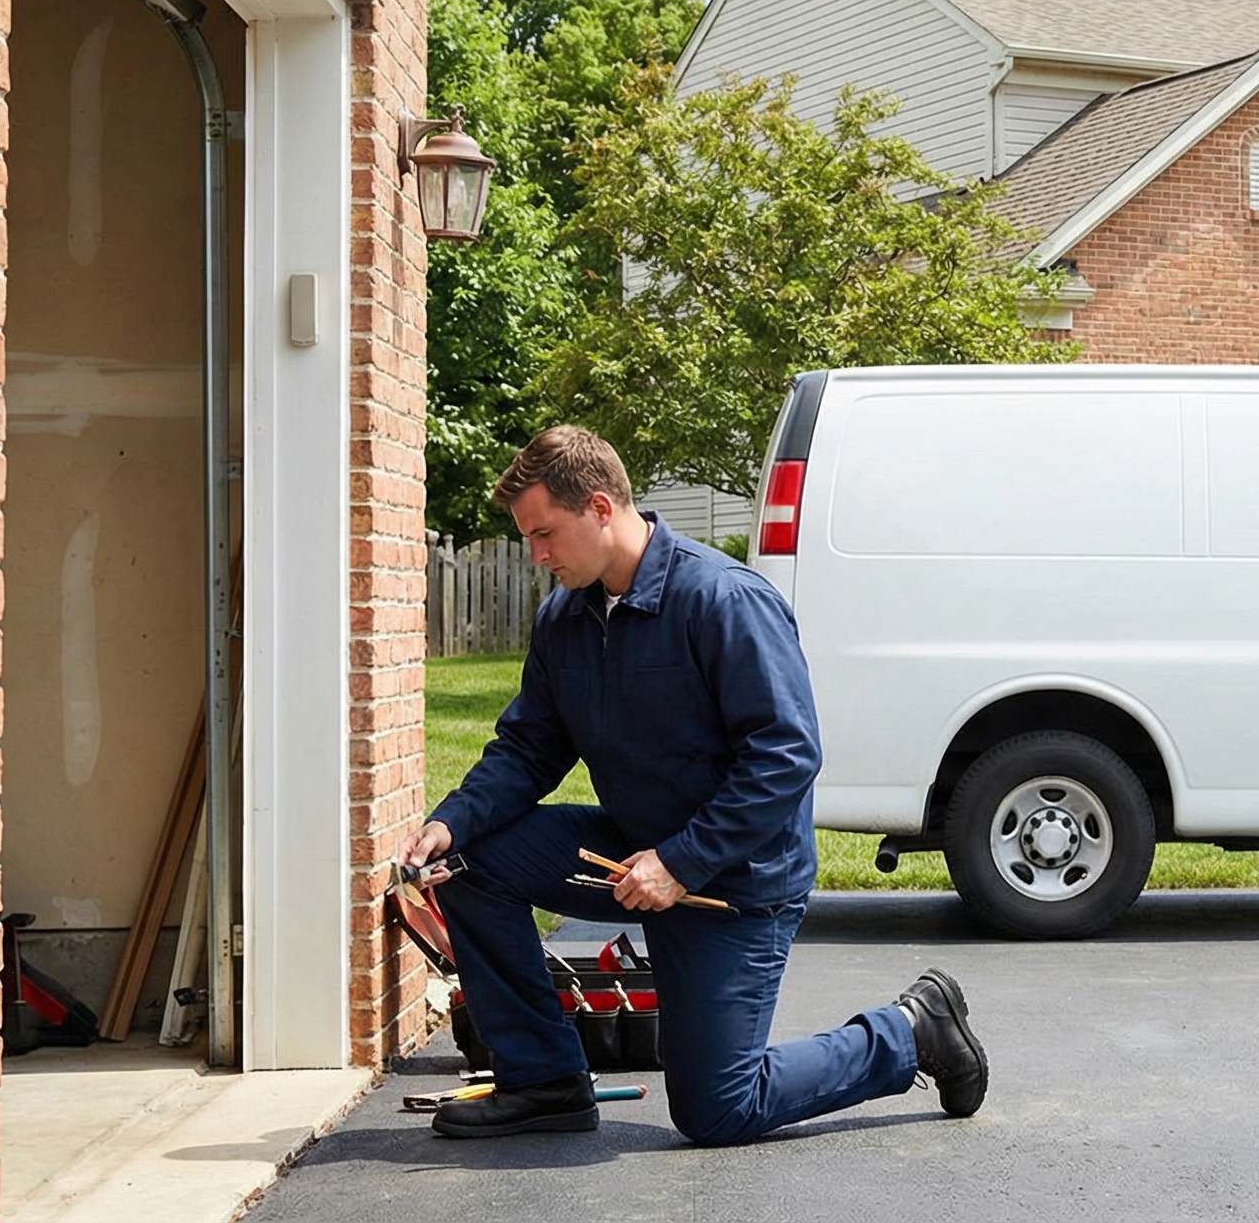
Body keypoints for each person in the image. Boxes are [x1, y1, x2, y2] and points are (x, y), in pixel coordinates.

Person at [401, 426, 986, 1141]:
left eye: (546, 534)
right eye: (529, 539)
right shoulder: (565, 619)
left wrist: (681, 862)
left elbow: (786, 755)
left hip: (734, 882)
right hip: (626, 854)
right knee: (469, 863)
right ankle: (543, 1081)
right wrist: (453, 820)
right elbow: (530, 747)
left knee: (718, 1110)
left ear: (599, 507)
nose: (538, 555)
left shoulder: (722, 601)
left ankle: (910, 1033)